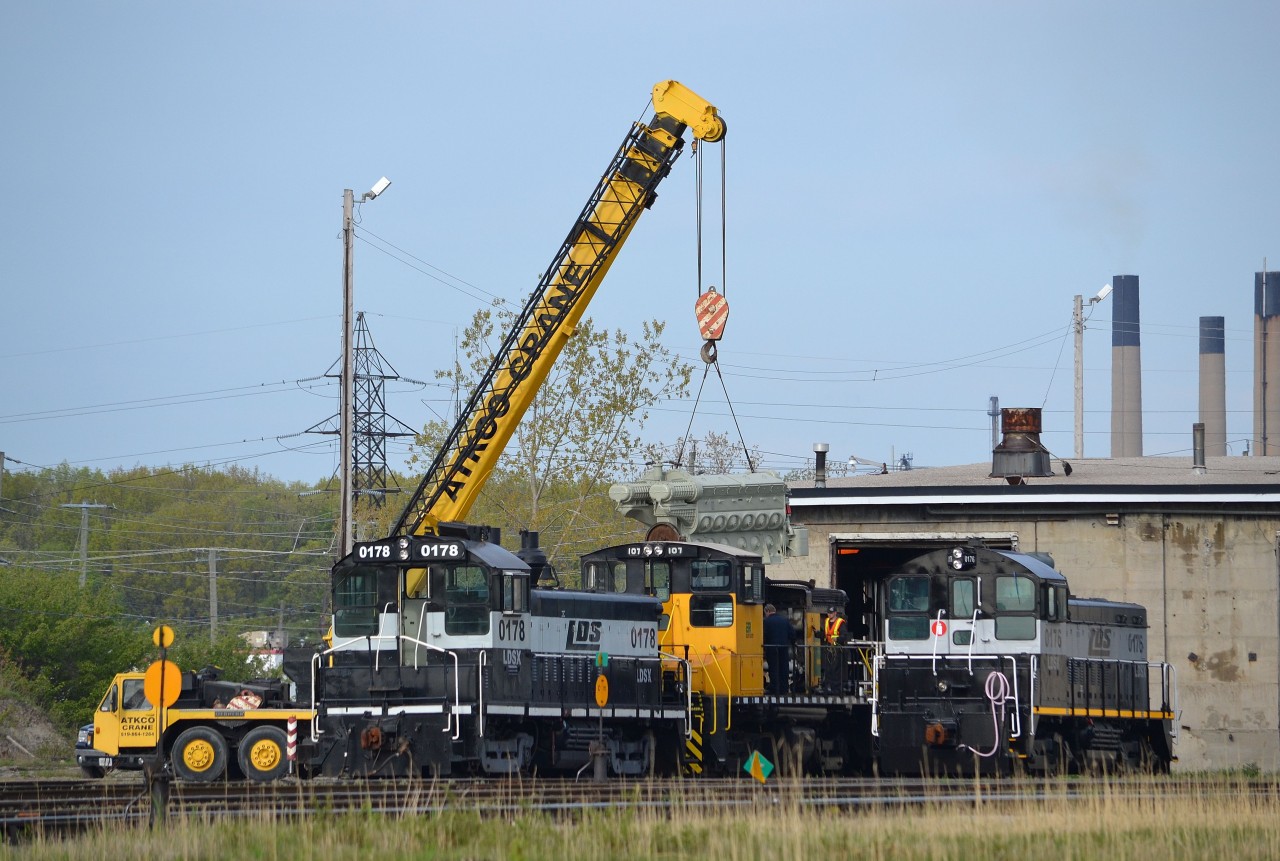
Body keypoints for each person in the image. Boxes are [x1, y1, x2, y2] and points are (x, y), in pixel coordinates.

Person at [762, 603, 794, 696]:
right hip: (784, 648)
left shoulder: (766, 621)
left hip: (771, 648)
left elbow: (764, 635)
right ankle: (784, 688)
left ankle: (774, 688)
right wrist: (792, 643)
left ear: (767, 611)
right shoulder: (784, 620)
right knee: (784, 668)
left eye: (765, 613)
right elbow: (792, 633)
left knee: (773, 668)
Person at [822, 607, 848, 692]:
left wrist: (837, 639)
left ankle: (836, 688)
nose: (829, 614)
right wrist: (818, 634)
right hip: (829, 648)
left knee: (836, 668)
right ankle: (828, 686)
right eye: (828, 612)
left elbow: (844, 636)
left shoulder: (840, 623)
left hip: (837, 648)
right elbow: (825, 634)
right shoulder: (826, 621)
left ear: (835, 613)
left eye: (831, 613)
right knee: (828, 667)